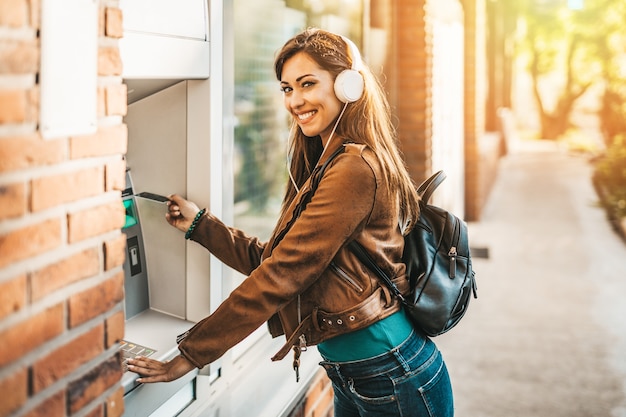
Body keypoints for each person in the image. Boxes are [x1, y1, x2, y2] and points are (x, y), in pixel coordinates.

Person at [128, 28, 454, 416]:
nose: (295, 100)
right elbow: (278, 260)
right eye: (286, 89)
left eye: (307, 84)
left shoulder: (354, 168)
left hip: (393, 374)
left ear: (348, 85)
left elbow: (283, 274)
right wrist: (201, 225)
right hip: (356, 375)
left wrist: (188, 356)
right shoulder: (326, 164)